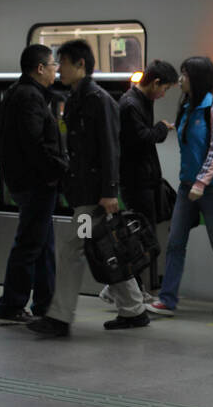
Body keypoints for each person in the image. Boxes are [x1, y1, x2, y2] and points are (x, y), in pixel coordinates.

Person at [28, 40, 149, 336]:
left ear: (80, 64)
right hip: (86, 190)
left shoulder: (97, 99)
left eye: (64, 63)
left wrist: (110, 191)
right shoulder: (79, 97)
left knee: (72, 250)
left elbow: (110, 147)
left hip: (94, 194)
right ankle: (134, 310)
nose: (60, 70)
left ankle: (59, 317)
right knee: (108, 247)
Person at [147, 57, 213, 316]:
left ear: (197, 78)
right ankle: (167, 299)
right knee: (175, 241)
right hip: (187, 187)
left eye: (184, 74)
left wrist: (201, 182)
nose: (180, 80)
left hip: (210, 189)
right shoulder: (187, 106)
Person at [0, 45, 69, 324]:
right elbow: (35, 145)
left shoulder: (16, 93)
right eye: (52, 65)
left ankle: (45, 304)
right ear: (39, 68)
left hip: (28, 182)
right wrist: (61, 169)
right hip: (36, 184)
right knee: (28, 245)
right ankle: (10, 306)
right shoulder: (30, 98)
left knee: (42, 244)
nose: (56, 70)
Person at [117, 60, 178, 299]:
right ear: (155, 83)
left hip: (146, 178)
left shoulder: (142, 101)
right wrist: (161, 128)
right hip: (135, 181)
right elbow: (142, 138)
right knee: (141, 239)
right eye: (165, 89)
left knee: (144, 237)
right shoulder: (130, 105)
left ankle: (130, 288)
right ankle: (125, 288)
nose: (164, 94)